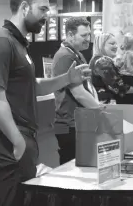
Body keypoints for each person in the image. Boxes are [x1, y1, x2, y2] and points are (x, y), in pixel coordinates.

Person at [0, 0, 90, 206]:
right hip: (8, 139)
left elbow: (34, 86)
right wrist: (17, 140)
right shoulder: (1, 41)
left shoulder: (19, 45)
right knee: (9, 200)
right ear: (24, 7)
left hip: (22, 137)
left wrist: (67, 78)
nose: (46, 16)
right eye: (42, 9)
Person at [52, 17, 100, 165]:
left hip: (79, 122)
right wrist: (102, 111)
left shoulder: (77, 54)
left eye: (89, 35)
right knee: (73, 171)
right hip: (70, 124)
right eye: (84, 35)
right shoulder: (66, 57)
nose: (88, 39)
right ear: (71, 35)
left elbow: (87, 87)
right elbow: (79, 93)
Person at [90, 32, 133, 104]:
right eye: (112, 44)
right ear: (101, 45)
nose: (116, 46)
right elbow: (118, 88)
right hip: (108, 107)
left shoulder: (96, 60)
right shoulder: (103, 62)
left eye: (116, 44)